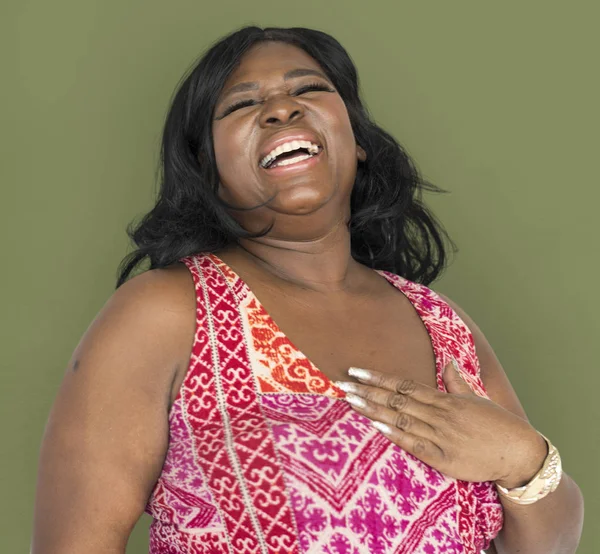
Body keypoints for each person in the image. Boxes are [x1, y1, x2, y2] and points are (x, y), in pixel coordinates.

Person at [32, 25, 583, 554]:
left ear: (357, 141)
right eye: (242, 104)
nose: (281, 108)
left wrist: (522, 459)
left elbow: (546, 543)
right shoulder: (165, 312)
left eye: (309, 89)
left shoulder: (444, 325)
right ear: (208, 166)